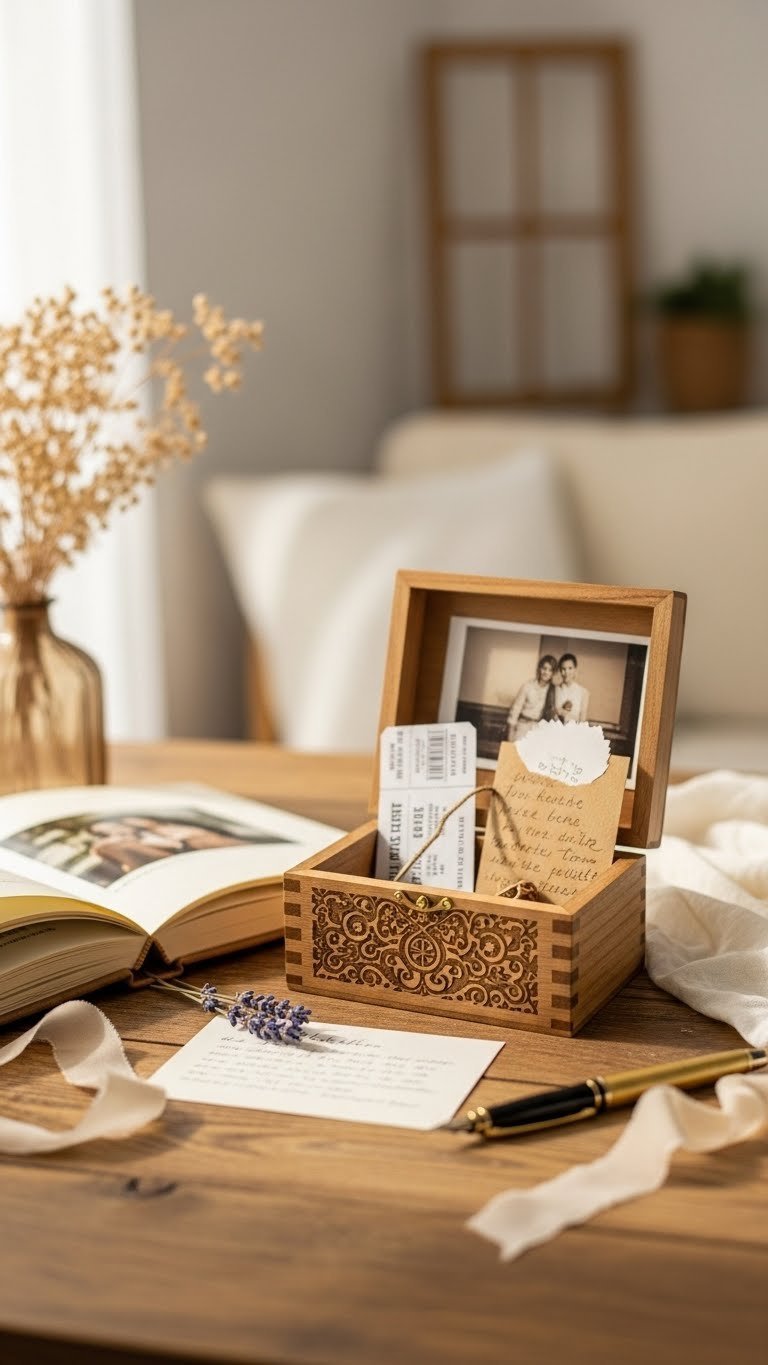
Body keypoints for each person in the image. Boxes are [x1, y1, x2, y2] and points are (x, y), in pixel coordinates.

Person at [506, 655, 559, 740]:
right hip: (522, 726)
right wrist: (511, 733)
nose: (546, 672)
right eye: (544, 668)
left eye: (550, 670)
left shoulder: (552, 690)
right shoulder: (527, 686)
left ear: (553, 673)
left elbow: (554, 713)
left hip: (539, 729)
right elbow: (516, 709)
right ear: (539, 668)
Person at [554, 653, 589, 724]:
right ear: (560, 671)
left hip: (575, 729)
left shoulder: (583, 692)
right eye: (563, 669)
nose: (566, 672)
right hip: (556, 728)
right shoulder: (554, 690)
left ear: (575, 669)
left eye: (570, 668)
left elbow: (582, 720)